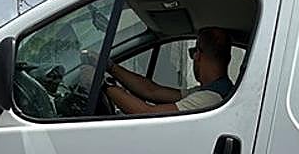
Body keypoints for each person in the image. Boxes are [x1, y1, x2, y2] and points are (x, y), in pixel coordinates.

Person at [91, 26, 235, 115]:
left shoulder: (210, 98)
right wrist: (111, 67)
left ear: (197, 55)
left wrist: (102, 83)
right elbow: (152, 91)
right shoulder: (212, 91)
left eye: (192, 52)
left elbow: (145, 113)